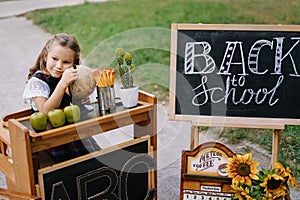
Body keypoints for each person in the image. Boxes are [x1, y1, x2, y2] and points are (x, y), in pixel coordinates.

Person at [23, 33, 100, 162]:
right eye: (54, 59)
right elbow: (45, 111)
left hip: (71, 133)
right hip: (50, 139)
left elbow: (71, 105)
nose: (59, 66)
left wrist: (80, 100)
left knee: (93, 162)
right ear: (45, 56)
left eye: (66, 62)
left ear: (73, 64)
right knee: (68, 170)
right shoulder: (38, 82)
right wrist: (63, 84)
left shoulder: (69, 78)